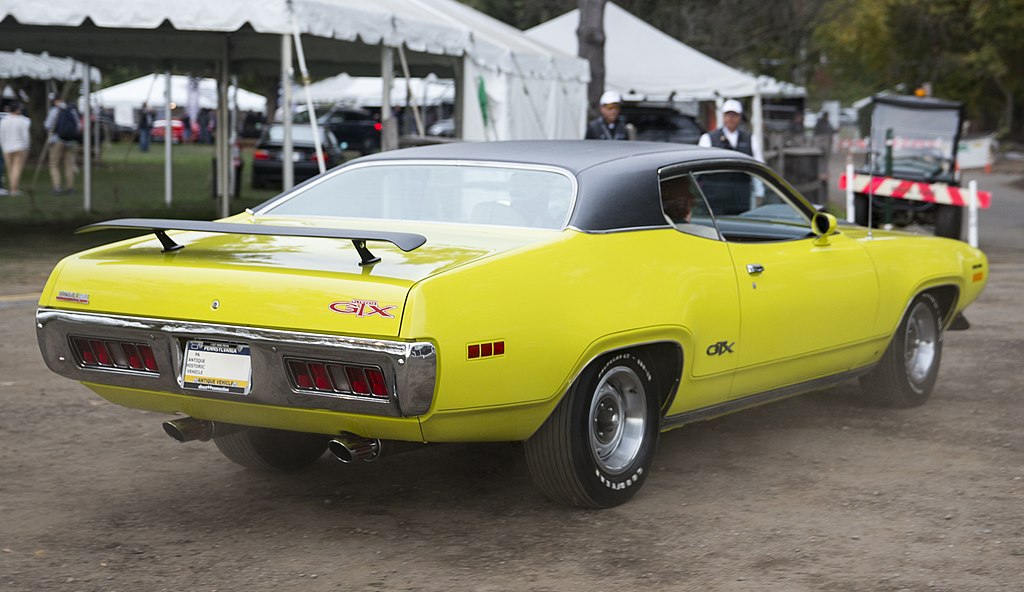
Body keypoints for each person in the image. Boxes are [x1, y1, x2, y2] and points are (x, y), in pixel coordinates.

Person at [698, 99, 764, 162]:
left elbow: (759, 161)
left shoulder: (750, 138)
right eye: (728, 115)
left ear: (740, 117)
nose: (730, 118)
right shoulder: (708, 138)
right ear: (723, 116)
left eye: (734, 115)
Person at [44, 97, 80, 195]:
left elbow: (47, 125)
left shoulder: (54, 111)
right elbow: (78, 126)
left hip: (57, 140)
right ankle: (70, 188)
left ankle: (57, 187)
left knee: (54, 164)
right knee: (69, 164)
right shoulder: (72, 110)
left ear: (56, 101)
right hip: (71, 141)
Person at [0, 102, 31, 196]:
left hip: (6, 147)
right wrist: (27, 147)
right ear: (17, 110)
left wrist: (3, 145)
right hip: (19, 146)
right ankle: (14, 189)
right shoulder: (23, 120)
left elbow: (1, 135)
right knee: (16, 168)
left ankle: (12, 188)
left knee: (10, 169)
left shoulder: (4, 121)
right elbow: (25, 136)